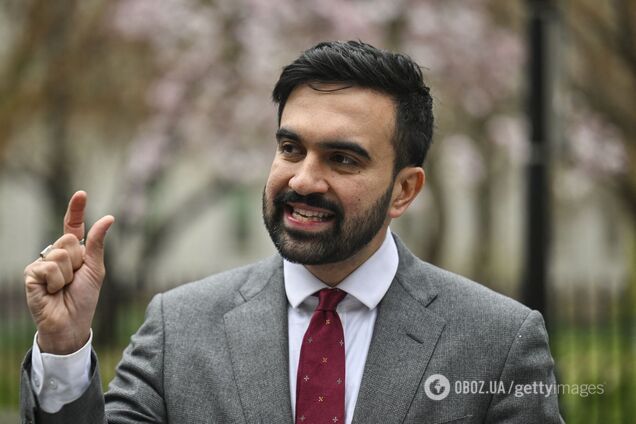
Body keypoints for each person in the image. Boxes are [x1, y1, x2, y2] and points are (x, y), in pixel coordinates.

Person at [21, 40, 563, 423]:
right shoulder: (178, 328)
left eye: (343, 159)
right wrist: (64, 347)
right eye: (290, 148)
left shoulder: (498, 342)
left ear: (404, 190)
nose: (303, 180)